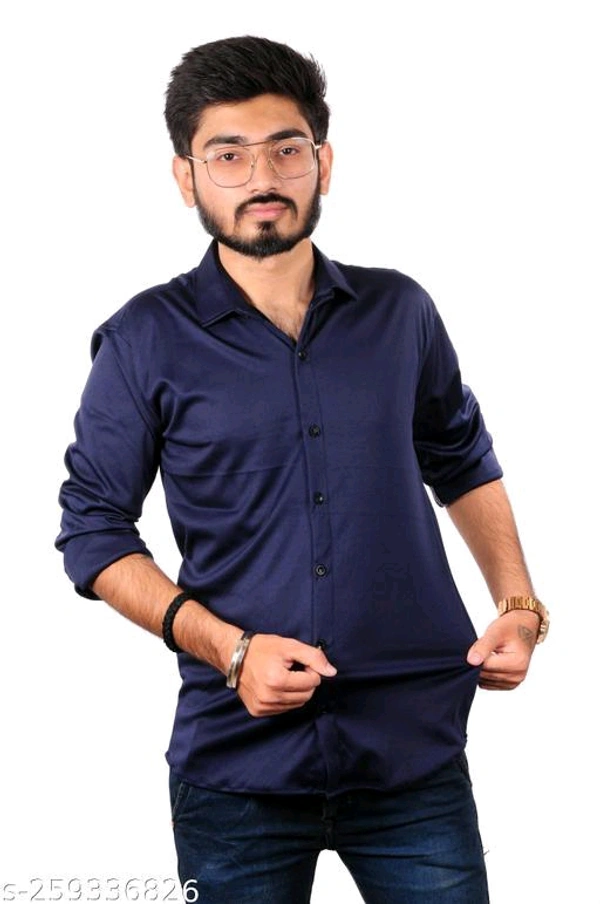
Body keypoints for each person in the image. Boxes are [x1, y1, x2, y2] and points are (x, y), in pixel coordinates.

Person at [56, 35, 549, 904]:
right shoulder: (142, 341)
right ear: (186, 178)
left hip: (413, 758)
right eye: (228, 155)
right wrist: (230, 650)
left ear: (323, 161)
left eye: (286, 149)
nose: (262, 177)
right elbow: (93, 532)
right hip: (236, 770)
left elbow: (461, 456)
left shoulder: (401, 311)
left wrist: (519, 604)